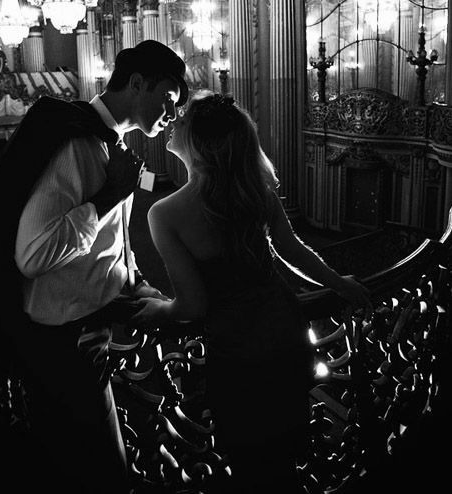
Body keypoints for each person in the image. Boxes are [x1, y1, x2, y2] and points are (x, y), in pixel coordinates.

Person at [0, 39, 188, 493]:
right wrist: (105, 198)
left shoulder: (109, 144)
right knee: (99, 474)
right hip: (64, 345)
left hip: (90, 331)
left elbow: (113, 243)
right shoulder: (78, 143)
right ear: (137, 84)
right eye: (168, 98)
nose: (172, 113)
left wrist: (139, 285)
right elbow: (33, 253)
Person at [130, 92, 373, 494]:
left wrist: (157, 309)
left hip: (238, 349)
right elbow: (293, 250)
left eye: (184, 118)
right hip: (284, 330)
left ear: (199, 142)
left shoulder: (165, 213)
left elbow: (192, 305)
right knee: (285, 450)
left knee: (249, 460)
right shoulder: (256, 191)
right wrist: (340, 282)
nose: (174, 120)